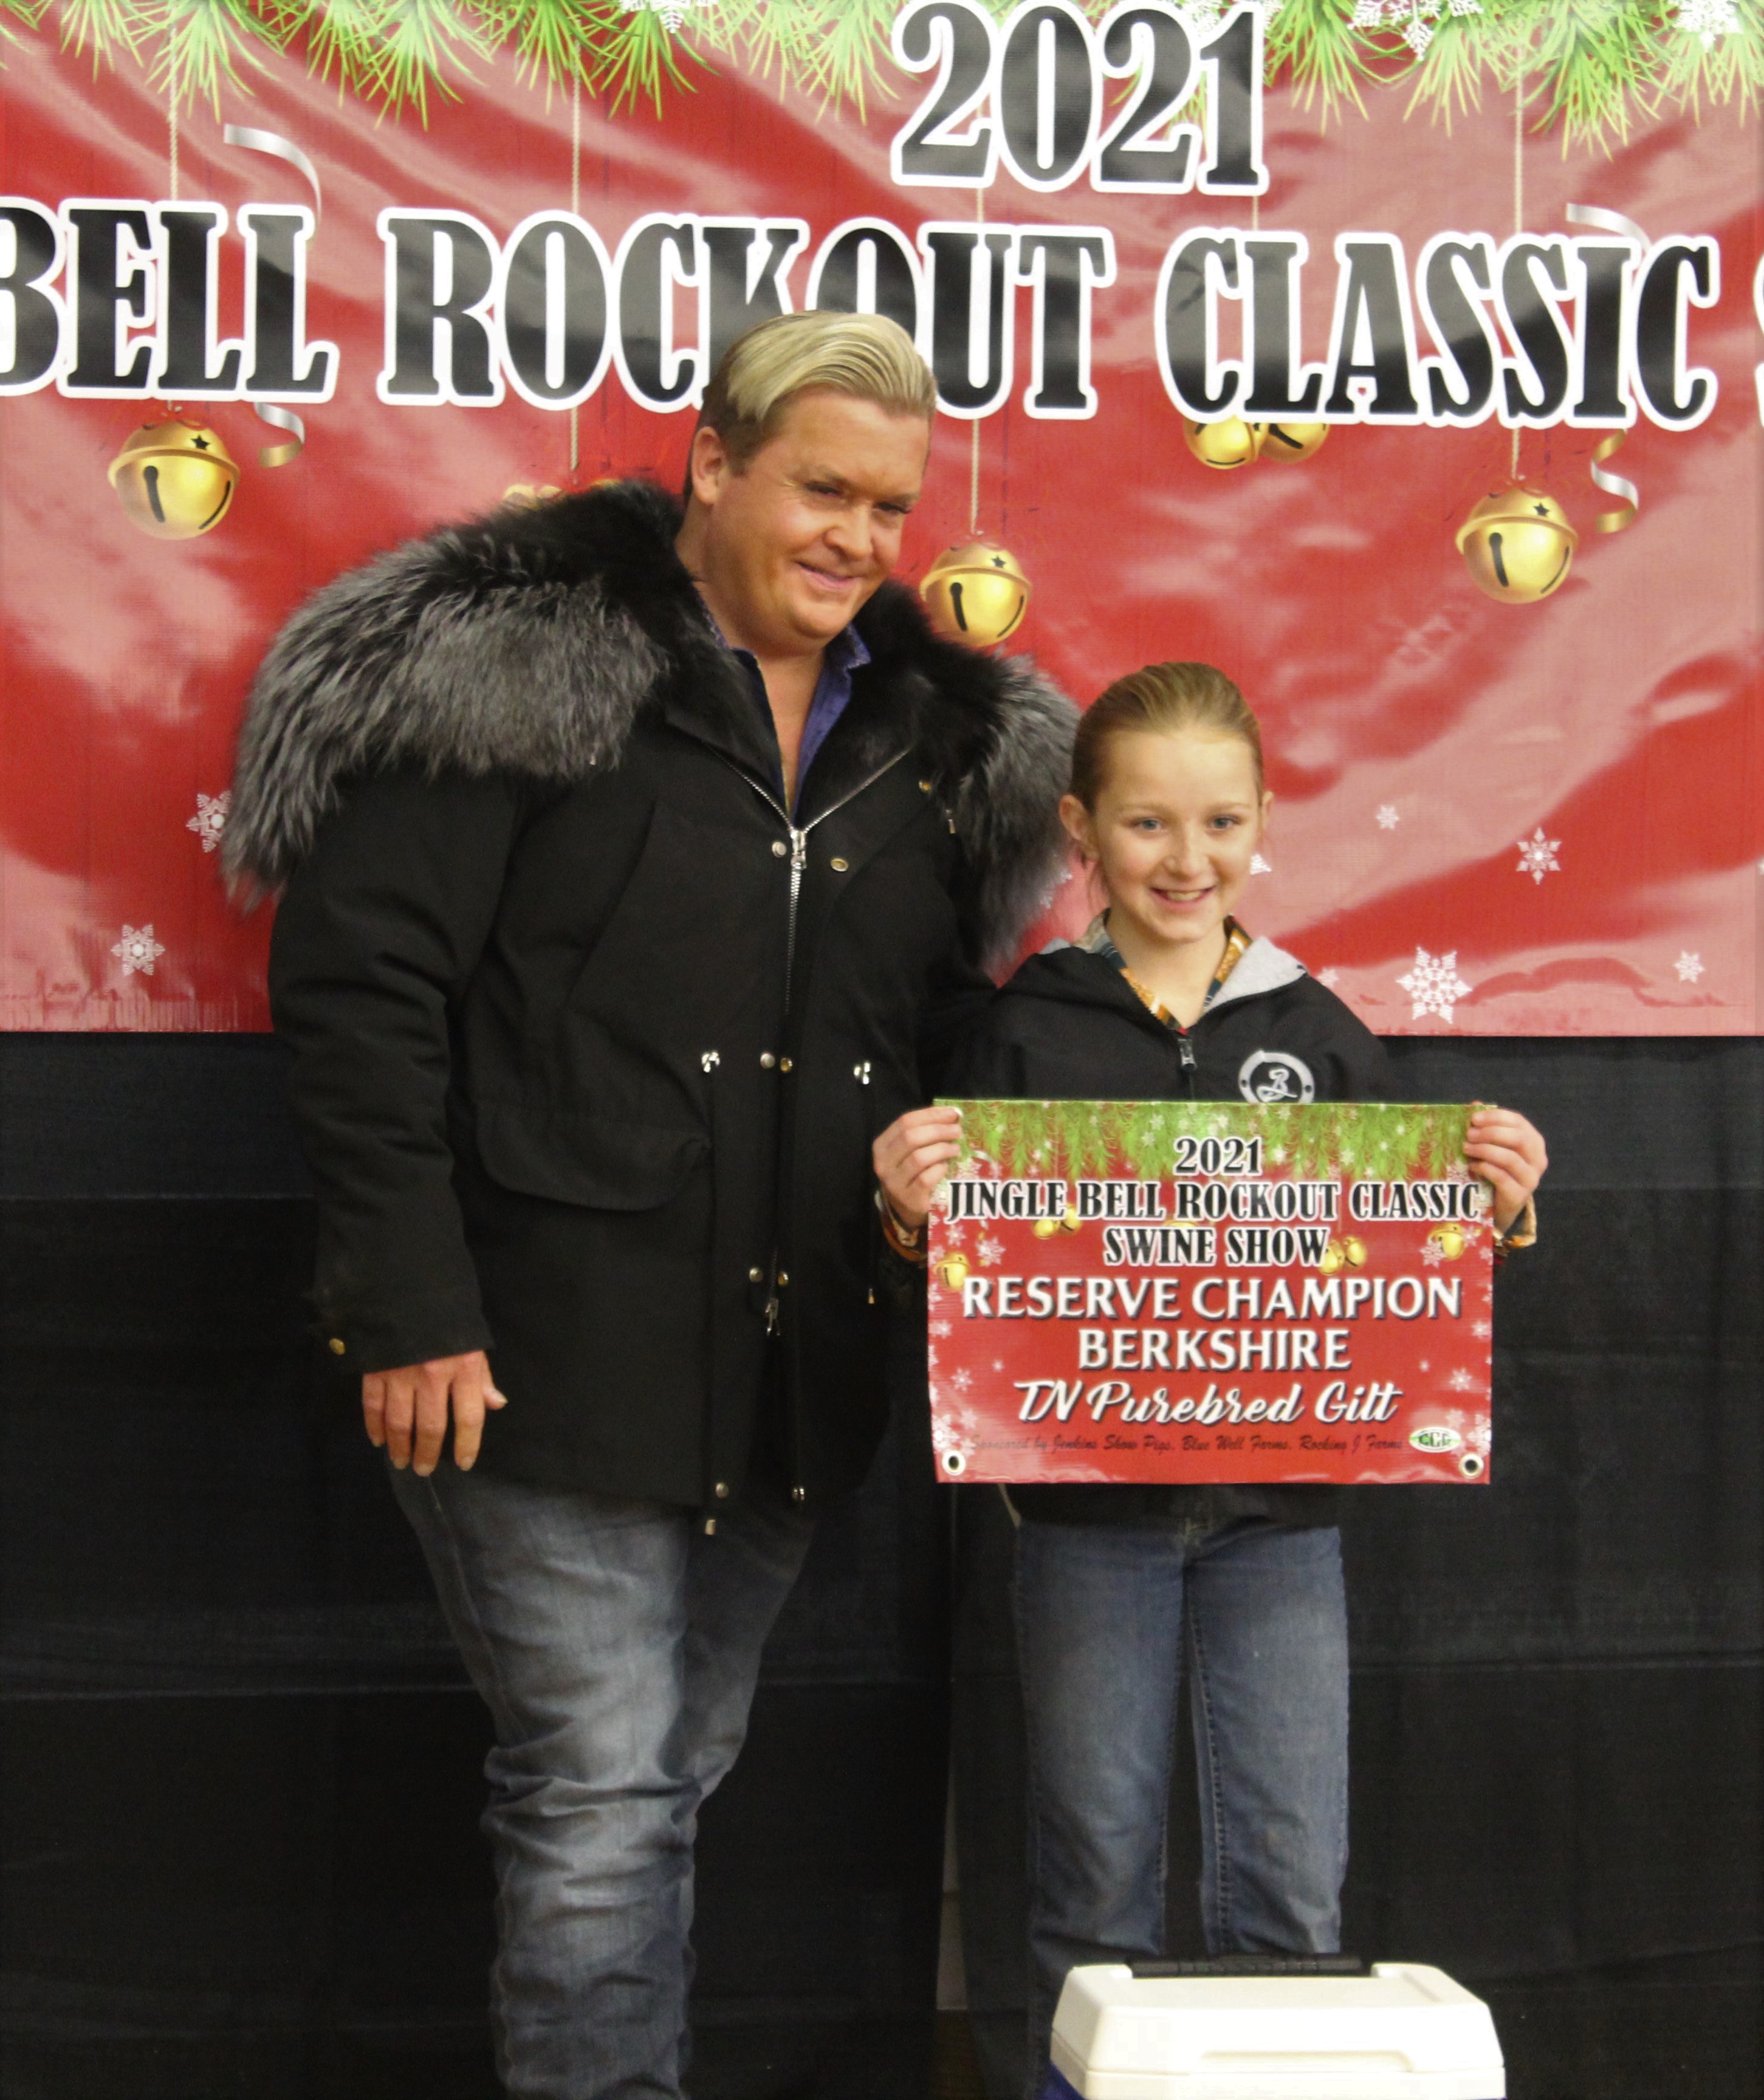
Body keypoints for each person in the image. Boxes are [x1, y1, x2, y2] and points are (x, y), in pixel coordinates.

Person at [220, 309, 1075, 2100]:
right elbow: (364, 988)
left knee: (660, 1779)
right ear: (711, 464)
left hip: (788, 1375)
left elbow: (933, 1036)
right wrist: (410, 1304)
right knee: (603, 1793)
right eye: (821, 489)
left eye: (891, 506)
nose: (858, 538)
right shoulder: (515, 666)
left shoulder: (923, 737)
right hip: (534, 1356)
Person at [870, 662, 1547, 2099]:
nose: (1189, 860)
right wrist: (906, 1212)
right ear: (1081, 830)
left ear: (1264, 825)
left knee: (1293, 1895)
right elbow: (967, 1301)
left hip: (1282, 1528)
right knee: (1094, 1891)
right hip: (1082, 1533)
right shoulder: (1022, 1029)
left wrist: (1495, 1203)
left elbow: (1401, 1268)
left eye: (1221, 823)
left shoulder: (1319, 1031)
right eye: (1148, 827)